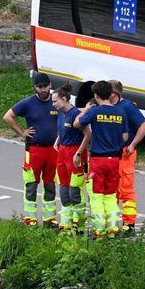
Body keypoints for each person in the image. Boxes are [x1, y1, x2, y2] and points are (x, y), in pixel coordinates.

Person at [3, 72, 58, 226]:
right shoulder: (28, 103)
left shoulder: (56, 101)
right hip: (35, 150)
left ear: (50, 85)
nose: (42, 90)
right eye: (39, 87)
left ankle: (49, 218)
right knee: (31, 184)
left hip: (53, 151)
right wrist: (22, 133)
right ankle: (30, 218)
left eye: (45, 86)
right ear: (35, 87)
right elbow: (8, 117)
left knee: (50, 184)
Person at [75, 80, 128, 237]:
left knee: (96, 196)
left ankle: (99, 230)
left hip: (98, 159)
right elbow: (125, 136)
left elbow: (77, 123)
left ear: (96, 95)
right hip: (114, 160)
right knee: (110, 195)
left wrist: (86, 110)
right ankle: (113, 228)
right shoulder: (120, 112)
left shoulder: (95, 111)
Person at [109, 80, 145, 234]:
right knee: (111, 190)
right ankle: (112, 223)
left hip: (125, 153)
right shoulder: (104, 106)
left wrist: (132, 145)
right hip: (109, 154)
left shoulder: (127, 107)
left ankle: (129, 224)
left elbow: (144, 125)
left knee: (126, 189)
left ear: (114, 93)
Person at [52, 83, 83, 233]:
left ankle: (78, 223)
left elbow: (88, 134)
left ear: (64, 99)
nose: (53, 104)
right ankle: (65, 224)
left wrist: (79, 153)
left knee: (74, 190)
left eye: (55, 101)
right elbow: (61, 129)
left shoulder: (75, 114)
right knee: (63, 187)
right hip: (62, 151)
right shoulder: (60, 113)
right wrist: (58, 139)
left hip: (73, 152)